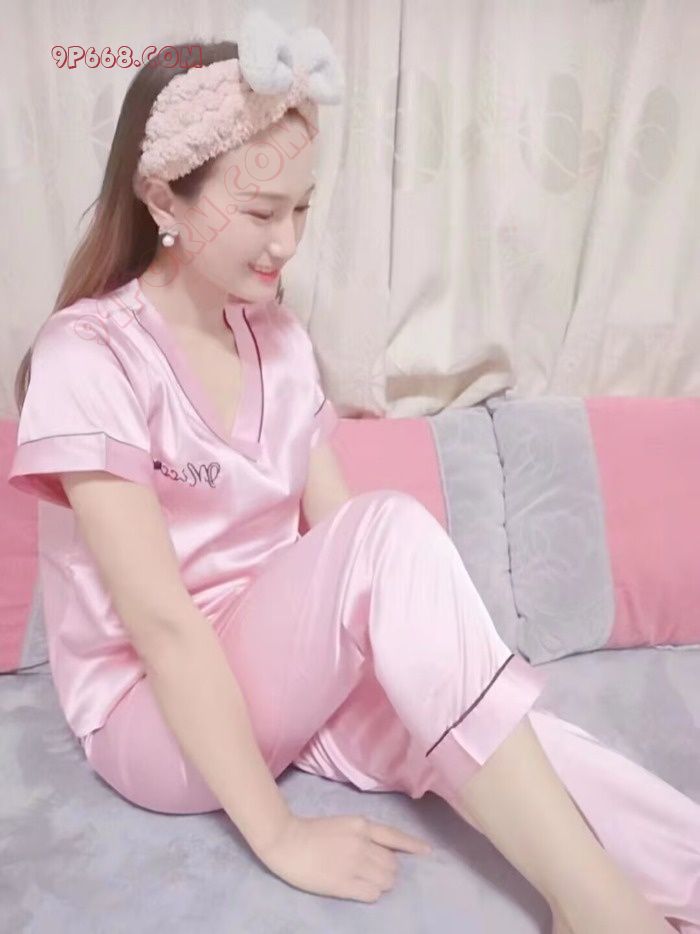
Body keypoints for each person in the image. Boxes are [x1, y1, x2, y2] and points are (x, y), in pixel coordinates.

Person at [8, 10, 699, 933]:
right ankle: (603, 909)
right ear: (163, 199)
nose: (287, 241)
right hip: (155, 719)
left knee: (496, 736)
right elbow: (165, 626)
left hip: (274, 673)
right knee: (392, 536)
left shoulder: (279, 342)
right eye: (261, 211)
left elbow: (346, 548)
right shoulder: (88, 354)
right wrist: (280, 835)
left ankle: (631, 898)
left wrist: (437, 662)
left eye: (301, 208)